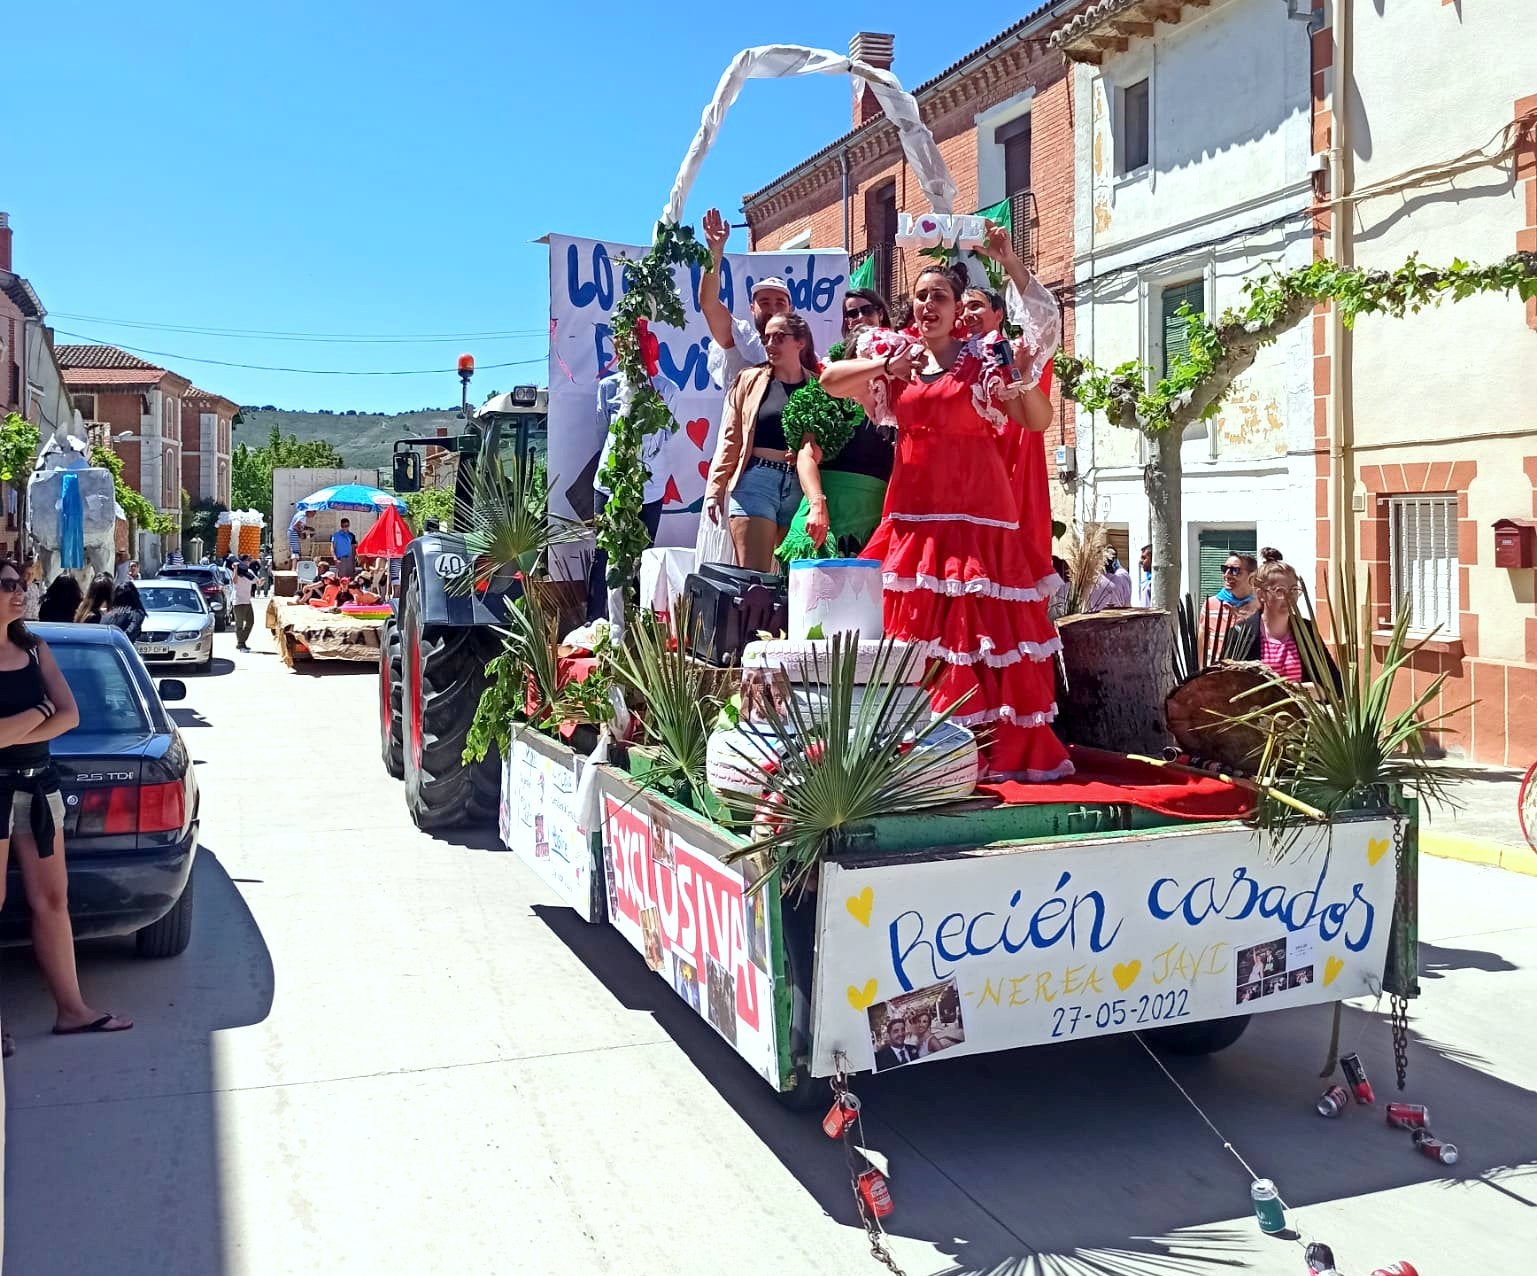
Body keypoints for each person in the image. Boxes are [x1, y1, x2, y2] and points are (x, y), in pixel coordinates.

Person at [821, 259, 1071, 782]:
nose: (928, 304)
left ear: (958, 310)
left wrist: (1021, 380)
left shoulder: (984, 358)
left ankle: (990, 752)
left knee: (981, 635)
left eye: (939, 296)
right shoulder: (891, 353)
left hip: (978, 515)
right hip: (914, 516)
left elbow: (1038, 420)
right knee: (911, 631)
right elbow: (829, 381)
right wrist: (884, 369)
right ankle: (916, 748)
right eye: (920, 296)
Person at [0, 558, 132, 1042]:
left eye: (23, 584)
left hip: (38, 786)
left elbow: (71, 715)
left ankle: (72, 1010)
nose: (20, 593)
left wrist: (17, 728)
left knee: (53, 901)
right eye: (8, 585)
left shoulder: (34, 648)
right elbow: (48, 713)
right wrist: (39, 711)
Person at [775, 290, 897, 564]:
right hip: (826, 510)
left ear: (881, 314)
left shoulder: (903, 385)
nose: (859, 318)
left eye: (866, 310)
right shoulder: (827, 385)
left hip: (878, 516)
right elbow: (807, 454)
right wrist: (817, 505)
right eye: (851, 313)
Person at [703, 313, 818, 571]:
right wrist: (715, 489)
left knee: (796, 581)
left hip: (799, 488)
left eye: (779, 337)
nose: (770, 344)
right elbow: (731, 438)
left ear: (800, 342)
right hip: (756, 482)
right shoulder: (750, 380)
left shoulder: (817, 386)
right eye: (767, 338)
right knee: (754, 579)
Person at [586, 370, 673, 621]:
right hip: (610, 485)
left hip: (651, 486)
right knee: (604, 551)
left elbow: (667, 433)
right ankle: (595, 621)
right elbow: (604, 433)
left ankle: (637, 622)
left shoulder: (667, 389)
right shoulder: (608, 386)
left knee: (643, 554)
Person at [699, 207, 792, 391]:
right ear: (752, 308)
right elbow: (708, 303)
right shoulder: (741, 337)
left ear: (791, 309)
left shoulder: (802, 350)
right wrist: (714, 254)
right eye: (764, 303)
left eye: (780, 303)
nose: (772, 309)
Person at [1222, 550, 1340, 687]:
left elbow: (1334, 685)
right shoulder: (1240, 633)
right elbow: (1227, 687)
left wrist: (1304, 691)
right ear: (1261, 594)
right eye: (1280, 591)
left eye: (1294, 590)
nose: (1289, 597)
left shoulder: (1306, 631)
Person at [1202, 551, 1259, 654]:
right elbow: (1202, 642)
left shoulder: (1259, 606)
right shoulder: (1211, 604)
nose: (1227, 575)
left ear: (1252, 576)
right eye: (1224, 569)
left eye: (1235, 570)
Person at [231, 556, 257, 651]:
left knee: (250, 622)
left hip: (247, 601)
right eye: (247, 561)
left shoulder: (249, 572)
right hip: (238, 601)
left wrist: (260, 582)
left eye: (249, 561)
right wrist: (235, 569)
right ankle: (241, 643)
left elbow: (256, 582)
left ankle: (241, 641)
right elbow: (234, 581)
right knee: (239, 624)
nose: (248, 562)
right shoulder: (236, 571)